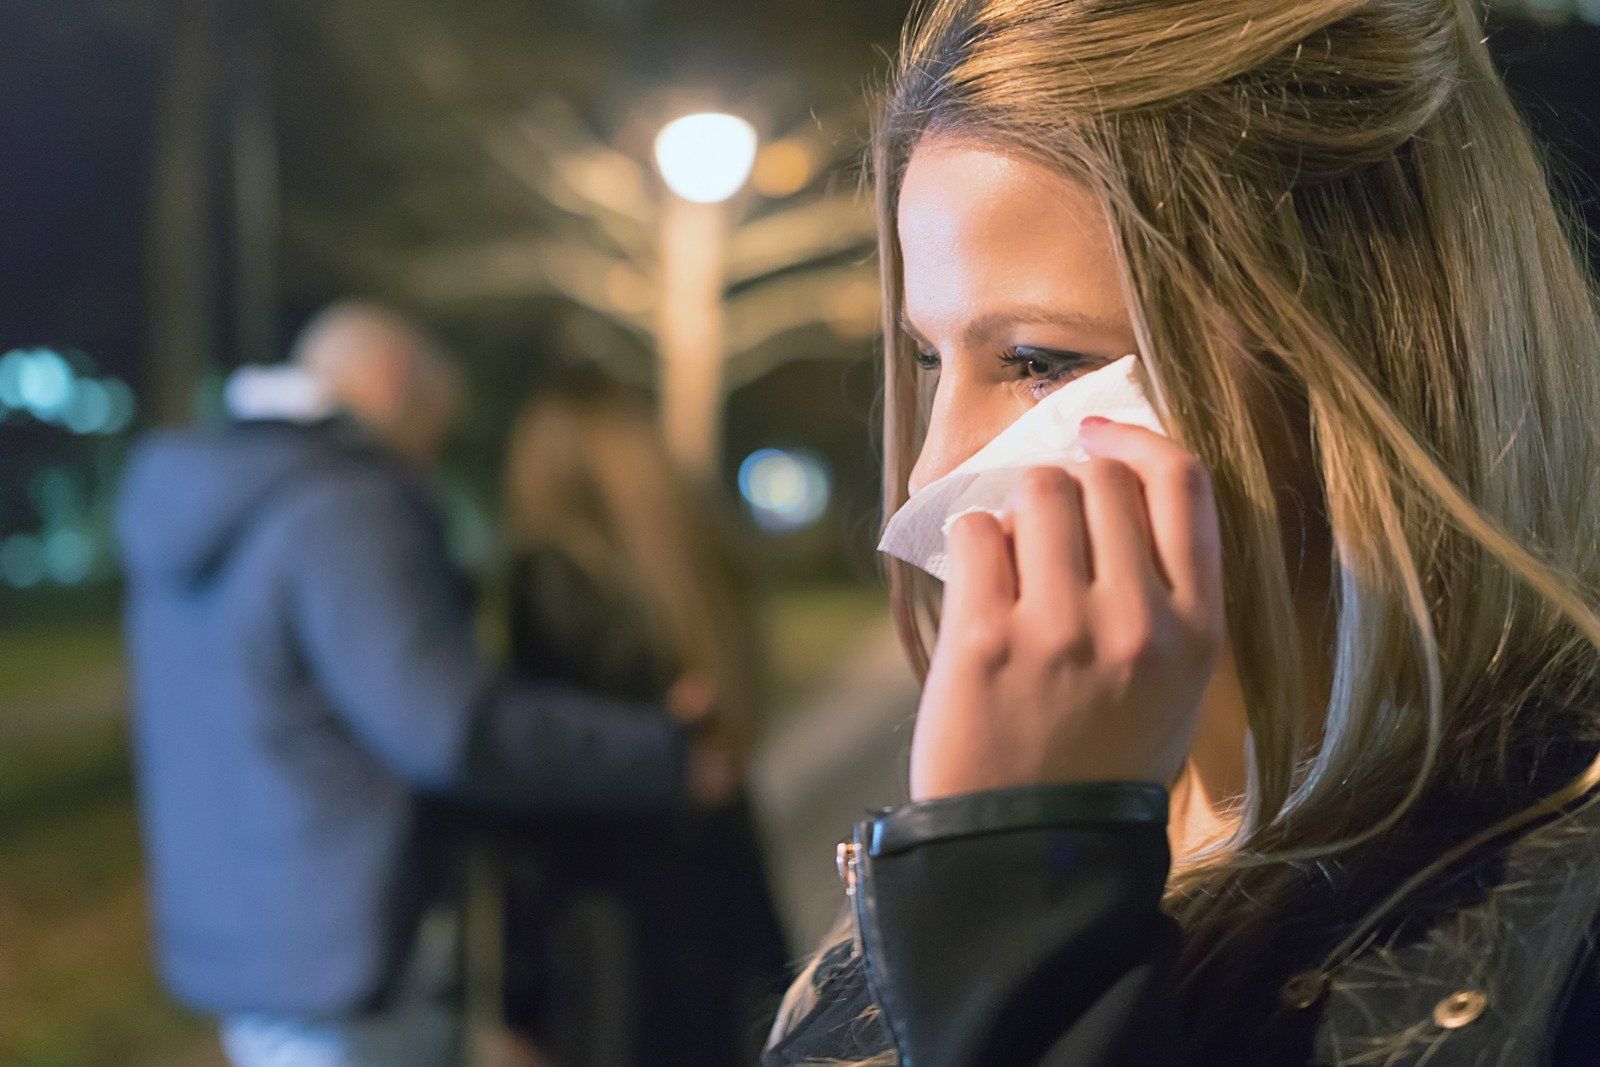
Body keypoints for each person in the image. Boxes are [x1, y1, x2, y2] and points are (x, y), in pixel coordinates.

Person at [764, 1, 1600, 1064]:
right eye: (931, 359)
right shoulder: (942, 870)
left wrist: (1014, 894)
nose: (932, 476)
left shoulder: (1555, 921)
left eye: (1037, 360)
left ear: (1349, 348)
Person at [116, 302, 710, 1067]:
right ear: (396, 381)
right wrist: (663, 755)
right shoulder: (345, 505)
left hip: (248, 943)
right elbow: (452, 728)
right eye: (436, 424)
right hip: (352, 954)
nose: (428, 457)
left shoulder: (215, 492)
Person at [491, 376, 789, 1066]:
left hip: (604, 927)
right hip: (721, 905)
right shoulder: (694, 567)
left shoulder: (552, 580)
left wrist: (521, 992)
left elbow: (541, 779)